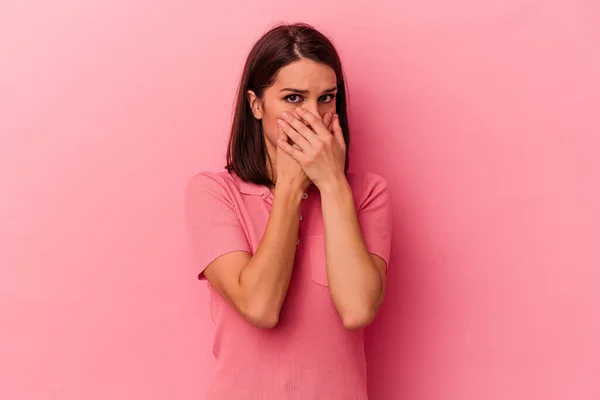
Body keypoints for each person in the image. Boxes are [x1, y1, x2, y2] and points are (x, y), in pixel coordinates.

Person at [184, 22, 393, 400]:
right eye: (294, 99)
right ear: (256, 104)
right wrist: (291, 187)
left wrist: (331, 185)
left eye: (326, 98)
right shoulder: (214, 192)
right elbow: (260, 307)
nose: (313, 115)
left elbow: (358, 309)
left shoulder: (366, 194)